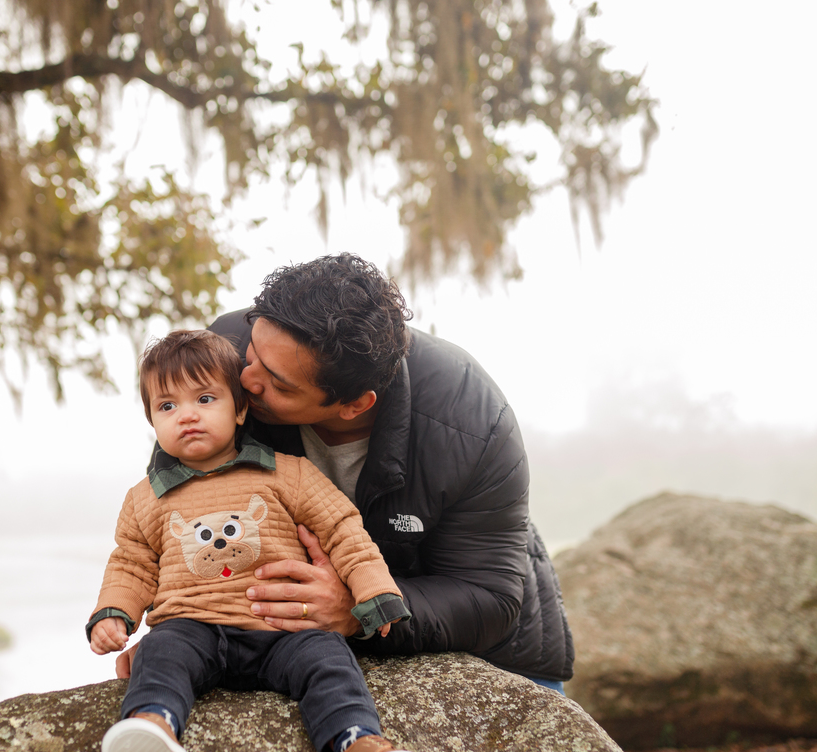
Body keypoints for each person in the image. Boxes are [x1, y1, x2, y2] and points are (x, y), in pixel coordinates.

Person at [201, 252, 576, 693]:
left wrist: (357, 609)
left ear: (355, 405)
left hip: (488, 647)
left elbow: (486, 596)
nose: (245, 380)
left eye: (279, 384)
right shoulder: (219, 355)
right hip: (286, 640)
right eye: (254, 350)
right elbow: (177, 509)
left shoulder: (473, 423)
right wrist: (174, 626)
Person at [86, 329, 429, 752]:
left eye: (204, 398)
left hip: (283, 631)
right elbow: (131, 563)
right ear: (151, 420)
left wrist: (373, 590)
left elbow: (343, 529)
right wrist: (113, 614)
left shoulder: (286, 472)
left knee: (329, 660)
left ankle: (356, 746)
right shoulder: (146, 498)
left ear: (241, 408)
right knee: (159, 653)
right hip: (193, 626)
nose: (186, 415)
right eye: (166, 406)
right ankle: (153, 724)